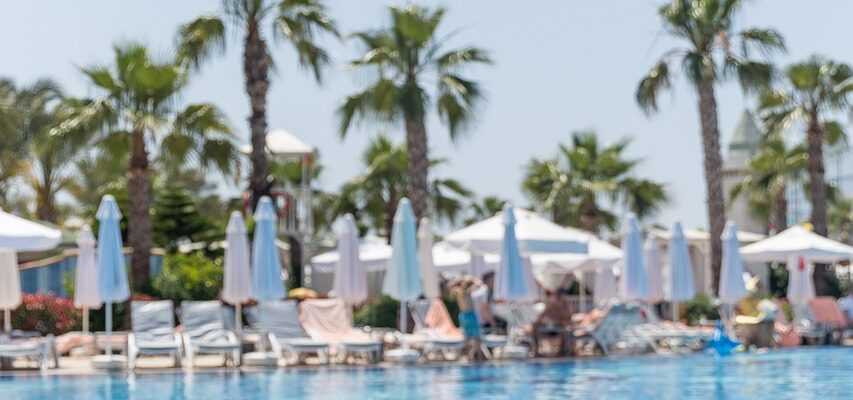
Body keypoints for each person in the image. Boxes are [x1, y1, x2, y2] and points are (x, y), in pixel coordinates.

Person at [450, 277, 487, 361]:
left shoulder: (458, 292)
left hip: (462, 316)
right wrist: (474, 280)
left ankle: (466, 356)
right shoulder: (468, 291)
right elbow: (479, 284)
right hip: (470, 316)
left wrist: (459, 281)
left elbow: (451, 287)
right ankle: (478, 356)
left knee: (467, 338)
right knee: (477, 338)